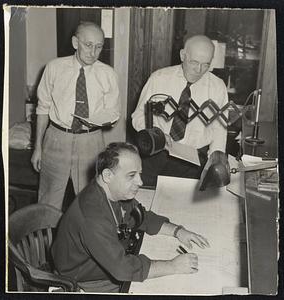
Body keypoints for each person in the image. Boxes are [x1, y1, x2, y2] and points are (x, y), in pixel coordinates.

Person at [51, 142, 210, 293]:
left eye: (139, 174)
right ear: (108, 175)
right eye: (131, 175)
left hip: (105, 264)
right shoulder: (92, 217)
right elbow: (122, 269)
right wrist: (172, 266)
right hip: (83, 279)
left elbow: (142, 217)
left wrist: (178, 231)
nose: (140, 181)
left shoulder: (113, 193)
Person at [31, 22, 120, 210]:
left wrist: (104, 118)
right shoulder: (54, 68)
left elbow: (113, 112)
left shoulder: (108, 74)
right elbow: (42, 108)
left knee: (90, 202)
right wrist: (37, 147)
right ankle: (46, 239)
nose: (93, 52)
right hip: (56, 139)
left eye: (99, 46)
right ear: (75, 42)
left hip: (91, 140)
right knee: (48, 202)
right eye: (88, 45)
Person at [132, 35, 228, 186]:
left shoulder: (218, 87)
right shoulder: (159, 78)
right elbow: (138, 116)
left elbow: (220, 129)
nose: (199, 70)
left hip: (194, 162)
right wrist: (155, 134)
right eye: (194, 62)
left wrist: (215, 163)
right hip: (156, 154)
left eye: (206, 64)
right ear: (183, 55)